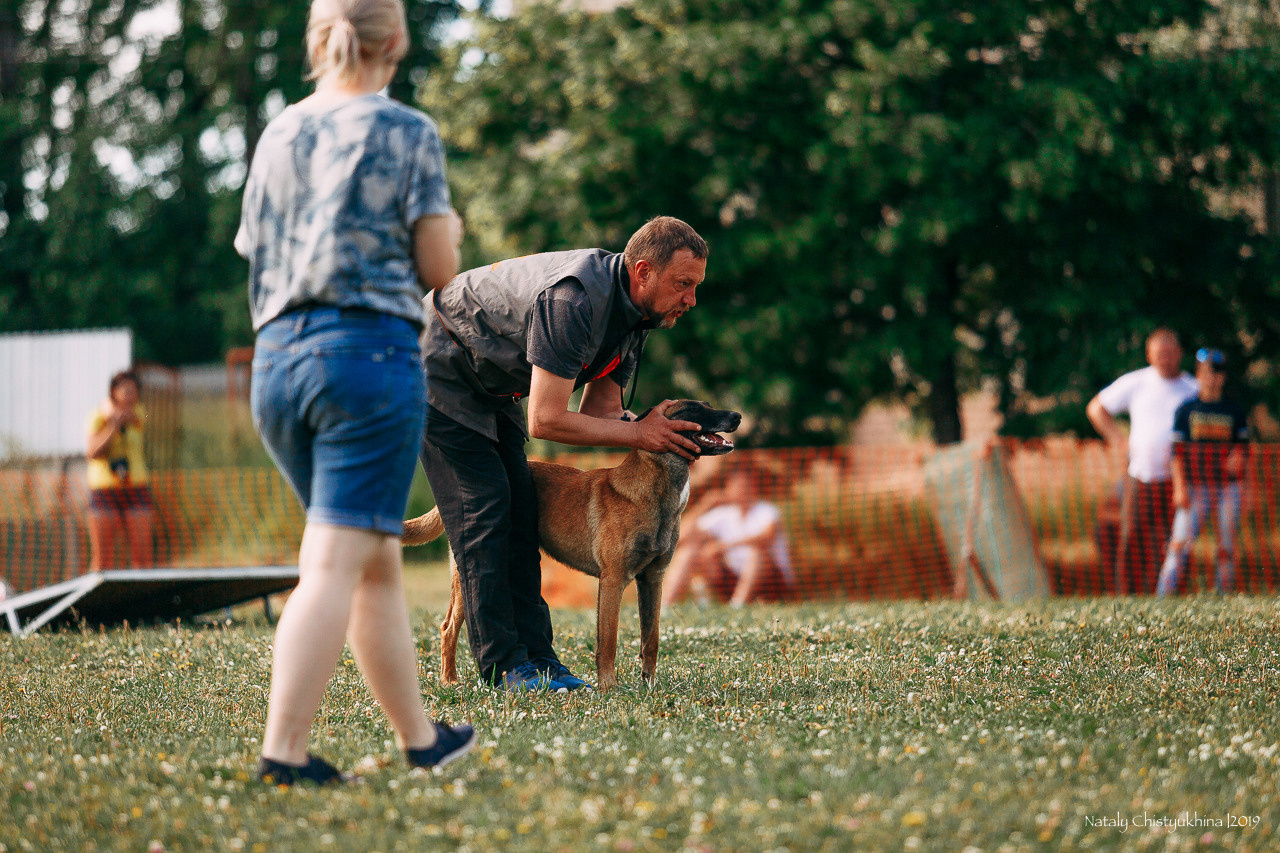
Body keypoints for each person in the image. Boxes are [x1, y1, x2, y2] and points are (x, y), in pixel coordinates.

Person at [234, 0, 473, 786]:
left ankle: (420, 739)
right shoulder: (405, 131)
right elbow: (439, 268)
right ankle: (284, 754)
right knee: (334, 561)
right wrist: (455, 231)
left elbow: (256, 255)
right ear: (396, 40)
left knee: (370, 556)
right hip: (364, 358)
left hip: (276, 363)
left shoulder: (278, 132)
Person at [419, 215, 708, 692]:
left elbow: (603, 412)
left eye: (695, 286)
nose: (691, 299)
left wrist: (658, 431)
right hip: (439, 362)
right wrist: (641, 437)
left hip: (492, 386)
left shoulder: (634, 319)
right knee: (486, 509)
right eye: (683, 284)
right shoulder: (575, 299)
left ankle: (539, 660)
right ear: (643, 272)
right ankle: (504, 667)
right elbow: (547, 420)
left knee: (521, 505)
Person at [1086, 328, 1198, 595]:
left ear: (1179, 354)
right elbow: (1096, 408)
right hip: (1140, 476)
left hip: (1179, 480)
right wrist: (1118, 440)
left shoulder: (1193, 389)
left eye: (1170, 354)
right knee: (1132, 537)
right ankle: (1129, 597)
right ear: (1149, 355)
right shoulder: (1136, 382)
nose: (1165, 359)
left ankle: (1175, 595)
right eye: (1160, 354)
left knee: (1177, 540)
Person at [1156, 348, 1251, 595]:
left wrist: (1239, 460)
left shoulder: (1235, 411)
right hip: (1195, 488)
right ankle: (1162, 598)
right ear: (1198, 374)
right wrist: (1179, 488)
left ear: (1224, 377)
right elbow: (1176, 454)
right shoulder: (1186, 410)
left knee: (1226, 546)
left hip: (1228, 488)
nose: (1213, 377)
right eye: (1208, 372)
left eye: (1218, 373)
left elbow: (1244, 450)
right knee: (1179, 544)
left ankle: (1224, 596)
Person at [661, 465, 794, 608]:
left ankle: (737, 606)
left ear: (754, 488)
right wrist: (704, 505)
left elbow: (767, 536)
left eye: (745, 486)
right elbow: (681, 537)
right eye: (736, 486)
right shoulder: (723, 514)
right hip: (731, 580)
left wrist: (723, 546)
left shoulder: (766, 510)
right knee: (689, 550)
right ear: (728, 488)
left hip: (772, 582)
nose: (741, 490)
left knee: (757, 552)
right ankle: (664, 606)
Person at [85, 370, 155, 570]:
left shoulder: (139, 412)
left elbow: (138, 417)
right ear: (113, 391)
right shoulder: (97, 416)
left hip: (135, 487)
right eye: (125, 389)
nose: (129, 394)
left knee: (143, 557)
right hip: (104, 490)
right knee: (103, 558)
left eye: (134, 390)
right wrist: (112, 425)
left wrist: (115, 415)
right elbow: (92, 451)